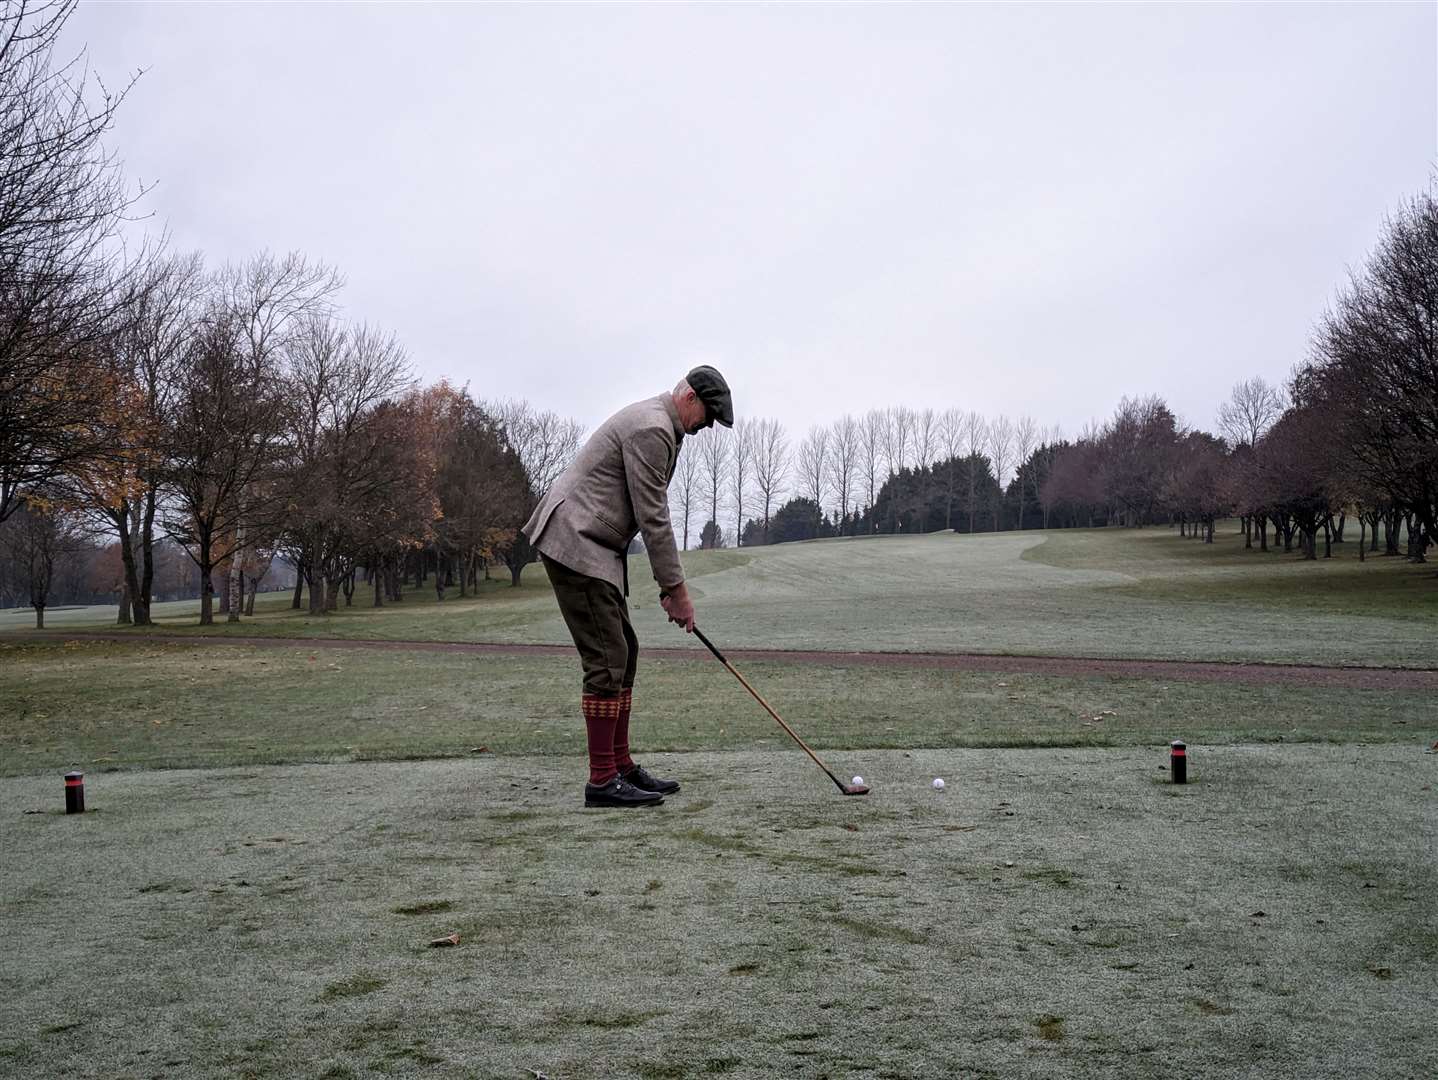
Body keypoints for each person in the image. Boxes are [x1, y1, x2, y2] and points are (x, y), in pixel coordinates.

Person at [522, 366, 734, 808]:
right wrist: (677, 590)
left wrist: (666, 588)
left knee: (626, 650)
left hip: (596, 546)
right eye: (708, 416)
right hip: (575, 541)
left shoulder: (660, 426)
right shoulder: (652, 428)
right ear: (690, 397)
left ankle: (619, 765)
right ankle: (602, 779)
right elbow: (653, 515)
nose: (705, 428)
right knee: (606, 656)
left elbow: (641, 514)